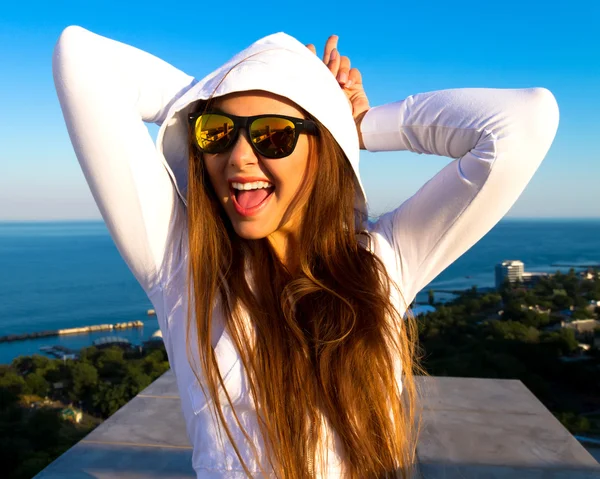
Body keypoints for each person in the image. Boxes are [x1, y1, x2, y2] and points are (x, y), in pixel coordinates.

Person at [52, 26, 559, 478]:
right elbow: (82, 58)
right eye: (217, 133)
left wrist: (355, 122)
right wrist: (243, 87)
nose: (239, 156)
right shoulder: (186, 272)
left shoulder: (381, 262)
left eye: (274, 134)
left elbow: (524, 121)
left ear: (323, 147)